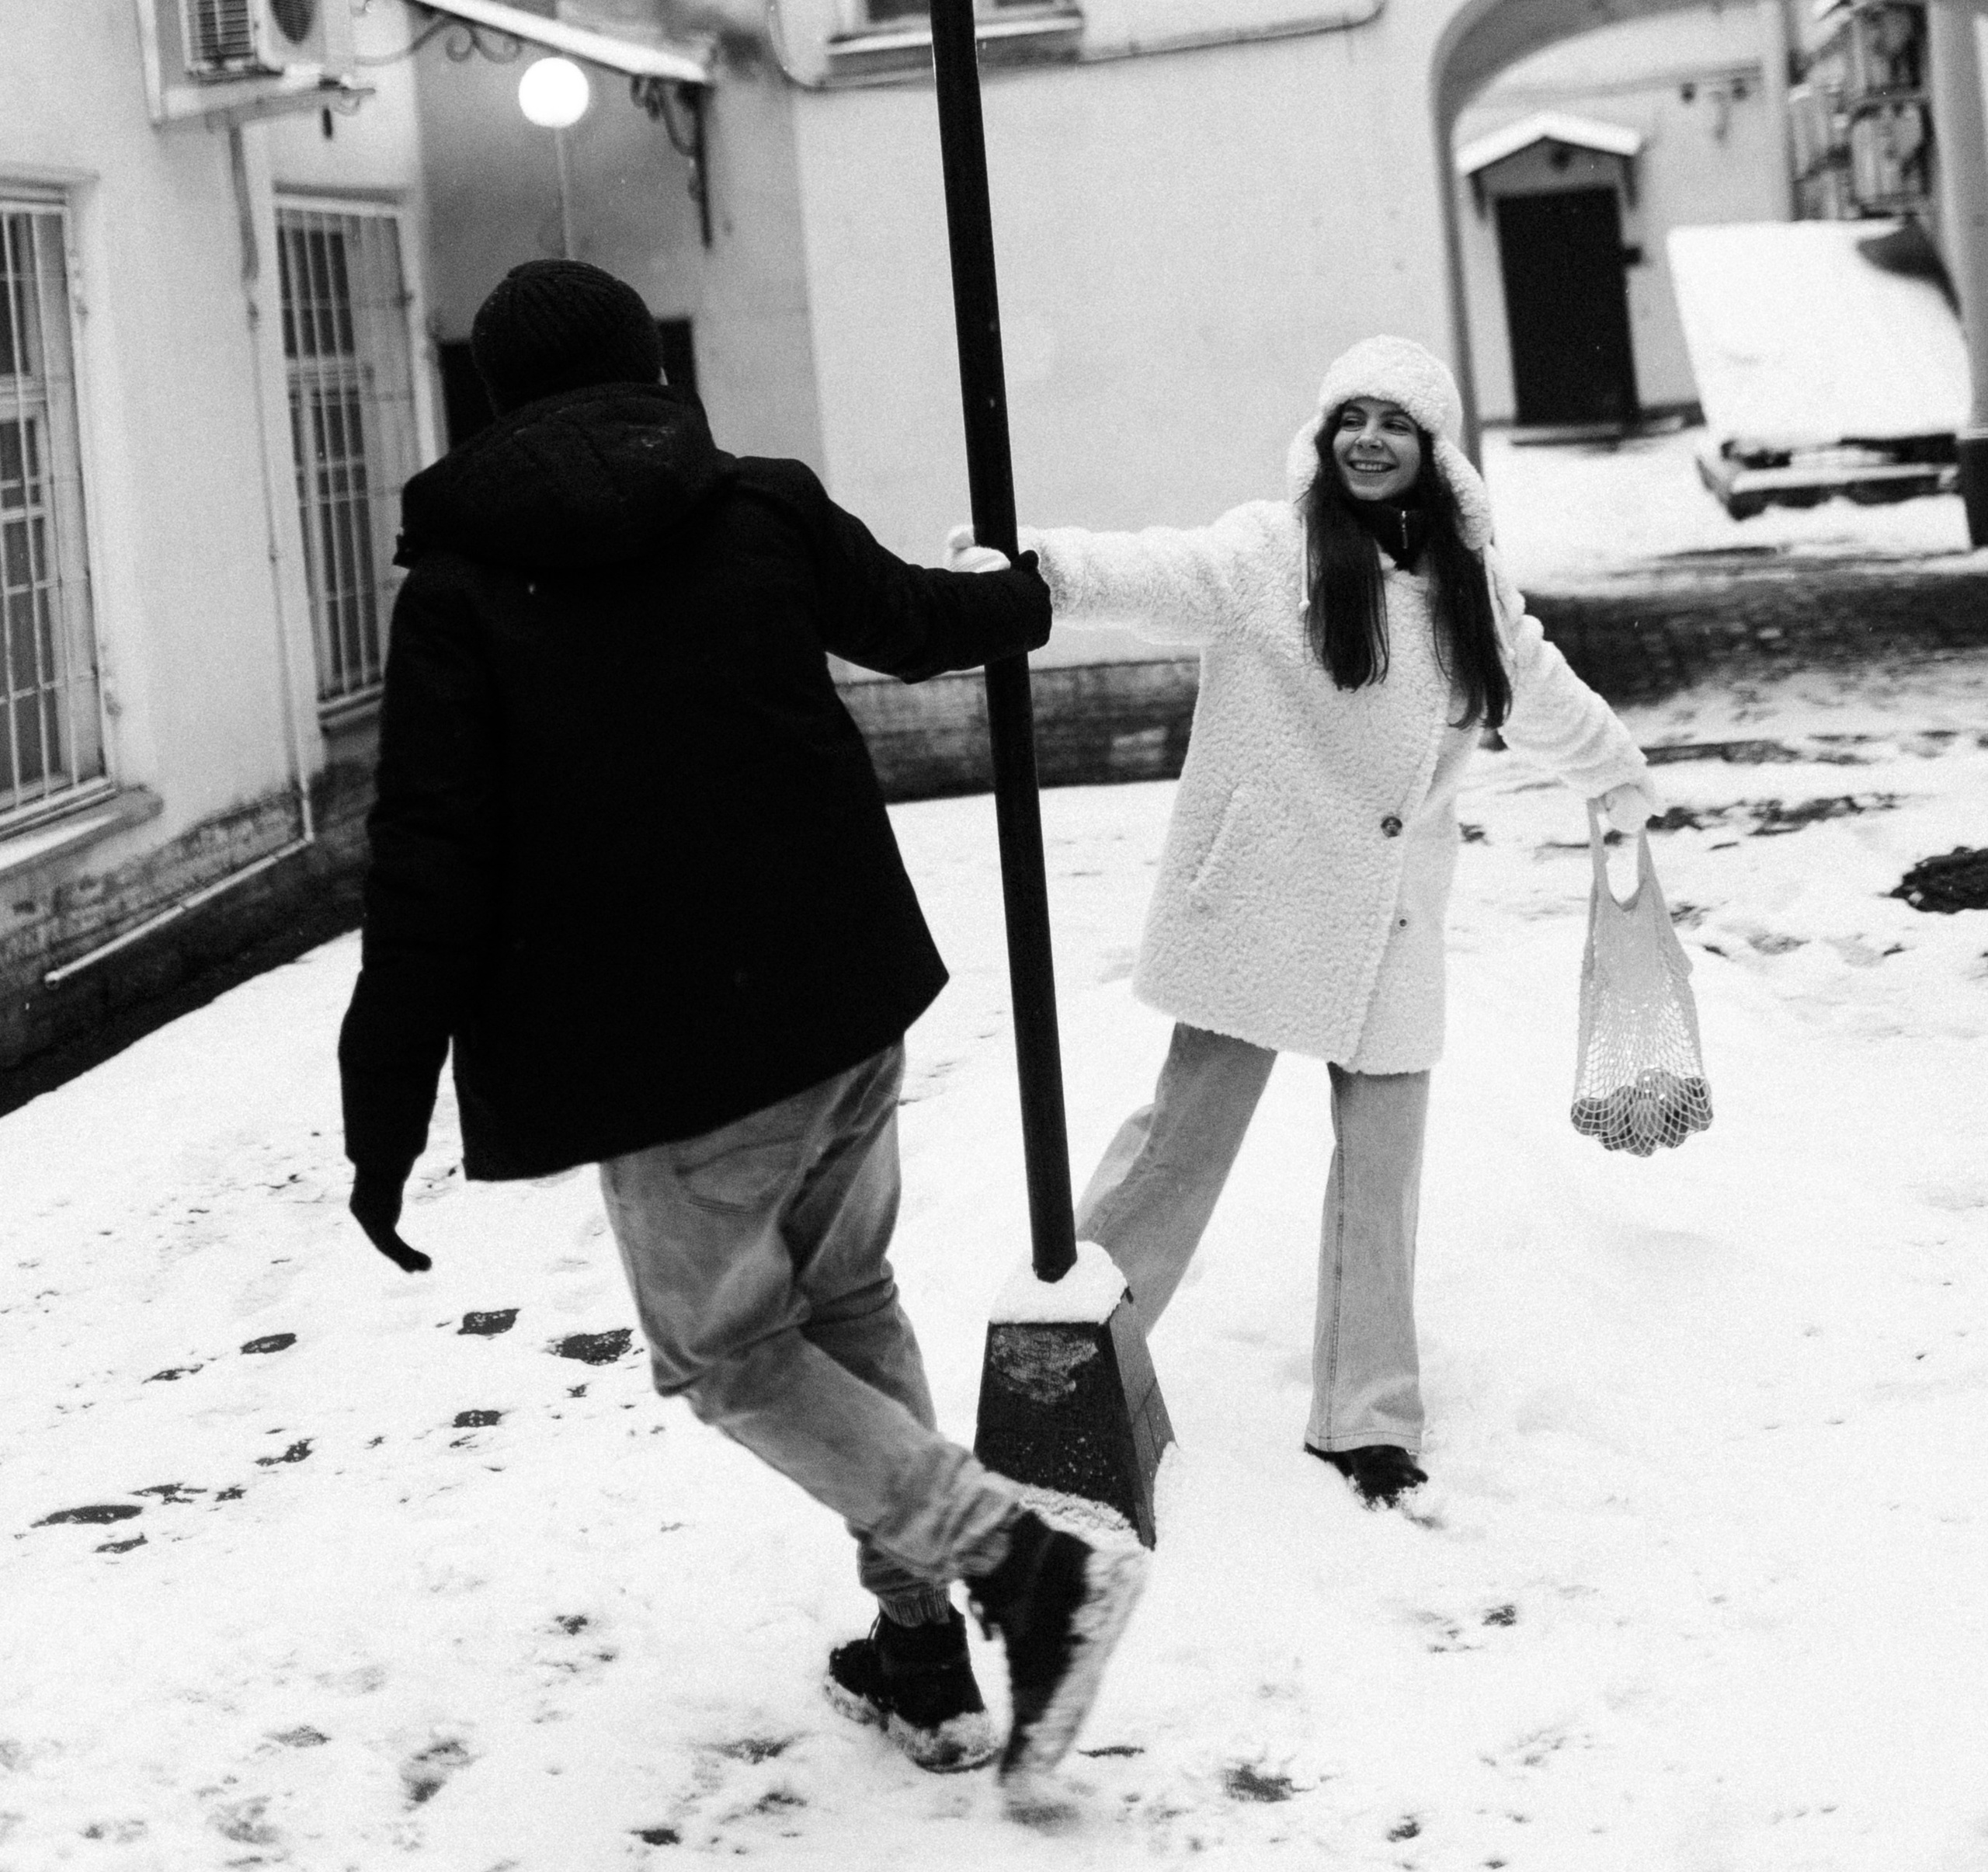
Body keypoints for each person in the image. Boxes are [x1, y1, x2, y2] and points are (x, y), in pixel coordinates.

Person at [339, 258, 1144, 1791]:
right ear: (648, 368)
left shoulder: (460, 592)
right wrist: (1023, 600)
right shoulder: (755, 502)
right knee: (840, 1309)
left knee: (729, 1360)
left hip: (665, 1060)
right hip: (842, 1003)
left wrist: (383, 1118)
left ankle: (1020, 1563)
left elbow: (426, 867)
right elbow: (914, 622)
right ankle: (918, 1656)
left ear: (496, 401)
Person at [954, 335, 1656, 1510]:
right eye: (1350, 419)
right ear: (1326, 440)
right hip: (1266, 895)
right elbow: (1152, 571)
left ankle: (1366, 1418)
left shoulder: (1469, 581)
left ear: (1432, 448)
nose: (1369, 438)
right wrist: (1030, 575)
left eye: (1394, 420)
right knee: (1180, 1151)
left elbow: (1539, 690)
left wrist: (1618, 773)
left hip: (1389, 918)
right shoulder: (1271, 552)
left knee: (1382, 1174)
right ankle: (1054, 1371)